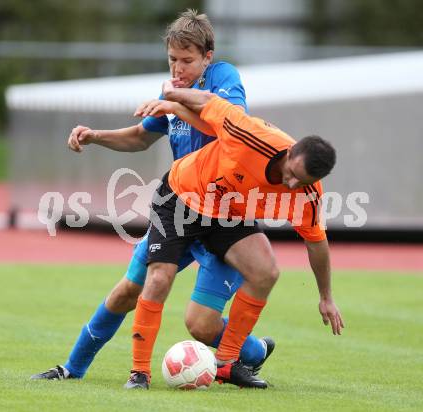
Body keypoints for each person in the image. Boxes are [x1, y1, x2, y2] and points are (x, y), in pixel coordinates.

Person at [31, 10, 274, 383]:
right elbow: (141, 137)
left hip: (227, 210)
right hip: (181, 207)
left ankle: (252, 352)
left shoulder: (223, 77)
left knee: (201, 324)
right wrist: (95, 135)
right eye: (172, 60)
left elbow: (228, 121)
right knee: (130, 289)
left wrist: (175, 99)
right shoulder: (173, 94)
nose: (178, 68)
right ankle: (73, 368)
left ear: (208, 57)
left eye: (187, 60)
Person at [126, 80, 345, 390]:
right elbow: (207, 101)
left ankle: (227, 363)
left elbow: (317, 243)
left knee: (265, 271)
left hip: (226, 213)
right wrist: (171, 95)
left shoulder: (308, 192)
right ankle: (139, 373)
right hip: (180, 196)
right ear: (290, 151)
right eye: (292, 173)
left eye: (303, 180)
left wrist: (326, 297)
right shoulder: (251, 134)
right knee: (159, 278)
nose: (293, 184)